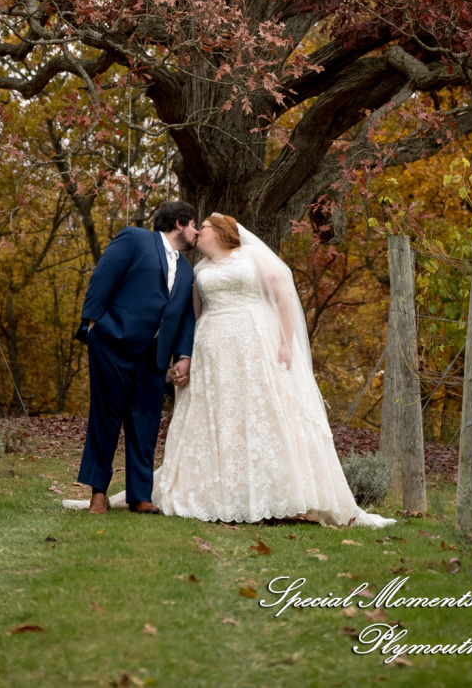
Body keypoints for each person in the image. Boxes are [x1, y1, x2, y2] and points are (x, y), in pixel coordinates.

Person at [66, 214, 394, 528]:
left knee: (256, 415)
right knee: (214, 417)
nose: (198, 231)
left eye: (204, 226)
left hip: (253, 345)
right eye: (194, 225)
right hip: (210, 350)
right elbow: (191, 316)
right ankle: (185, 492)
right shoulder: (196, 269)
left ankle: (270, 492)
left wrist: (285, 342)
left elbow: (283, 293)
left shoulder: (250, 257)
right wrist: (186, 355)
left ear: (221, 232)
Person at [73, 201, 199, 514]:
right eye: (194, 225)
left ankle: (140, 496)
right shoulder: (135, 238)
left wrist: (183, 354)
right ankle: (98, 493)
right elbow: (103, 277)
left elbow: (185, 316)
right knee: (105, 419)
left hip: (154, 357)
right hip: (112, 344)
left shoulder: (187, 270)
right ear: (179, 223)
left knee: (145, 424)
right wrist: (93, 324)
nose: (197, 232)